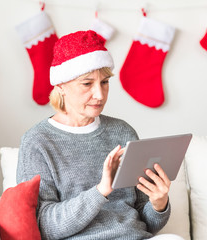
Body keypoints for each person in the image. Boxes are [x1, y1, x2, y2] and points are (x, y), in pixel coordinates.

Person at [16, 30, 183, 240]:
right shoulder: (38, 142)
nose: (100, 94)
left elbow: (145, 223)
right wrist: (101, 190)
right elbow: (45, 227)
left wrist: (159, 204)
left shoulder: (122, 131)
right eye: (87, 84)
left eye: (104, 82)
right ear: (61, 87)